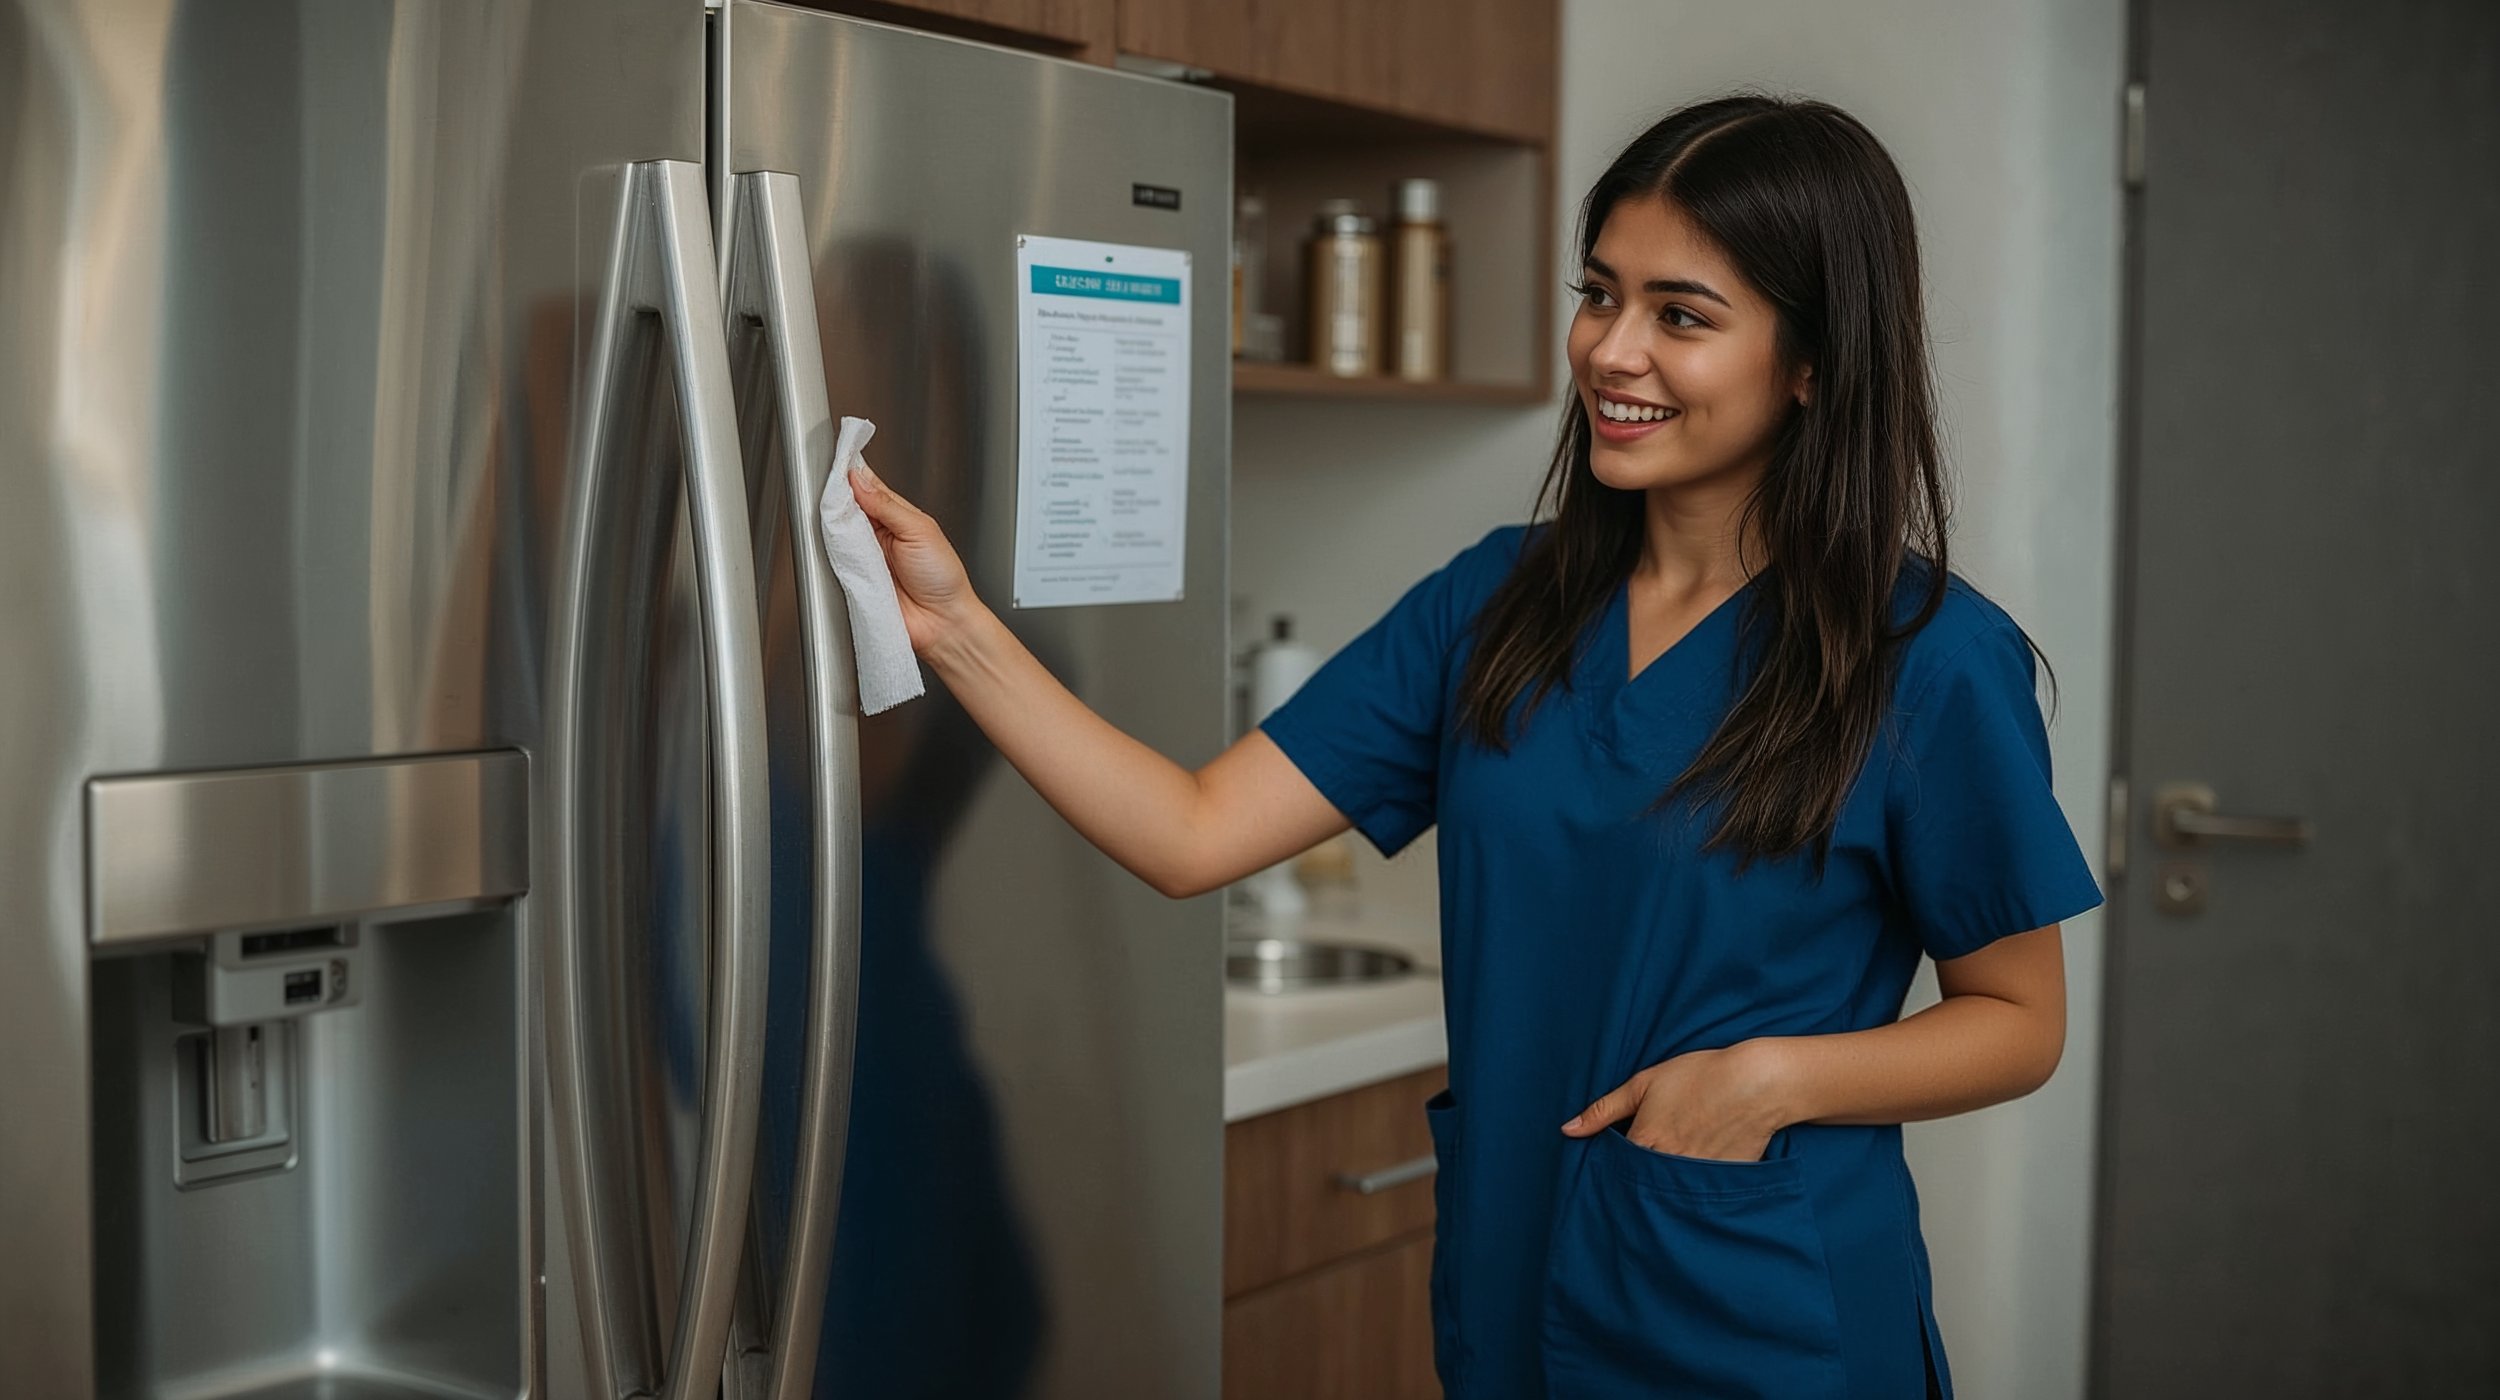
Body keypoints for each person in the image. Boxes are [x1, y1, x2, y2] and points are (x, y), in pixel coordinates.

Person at [848, 93, 2102, 1400]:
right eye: (1599, 293)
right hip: (1512, 1279)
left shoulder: (1931, 658)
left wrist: (1770, 1080)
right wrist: (955, 628)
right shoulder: (1497, 603)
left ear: (1812, 362)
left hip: (1764, 1311)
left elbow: (2017, 1024)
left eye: (1682, 315)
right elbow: (1192, 832)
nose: (1611, 351)